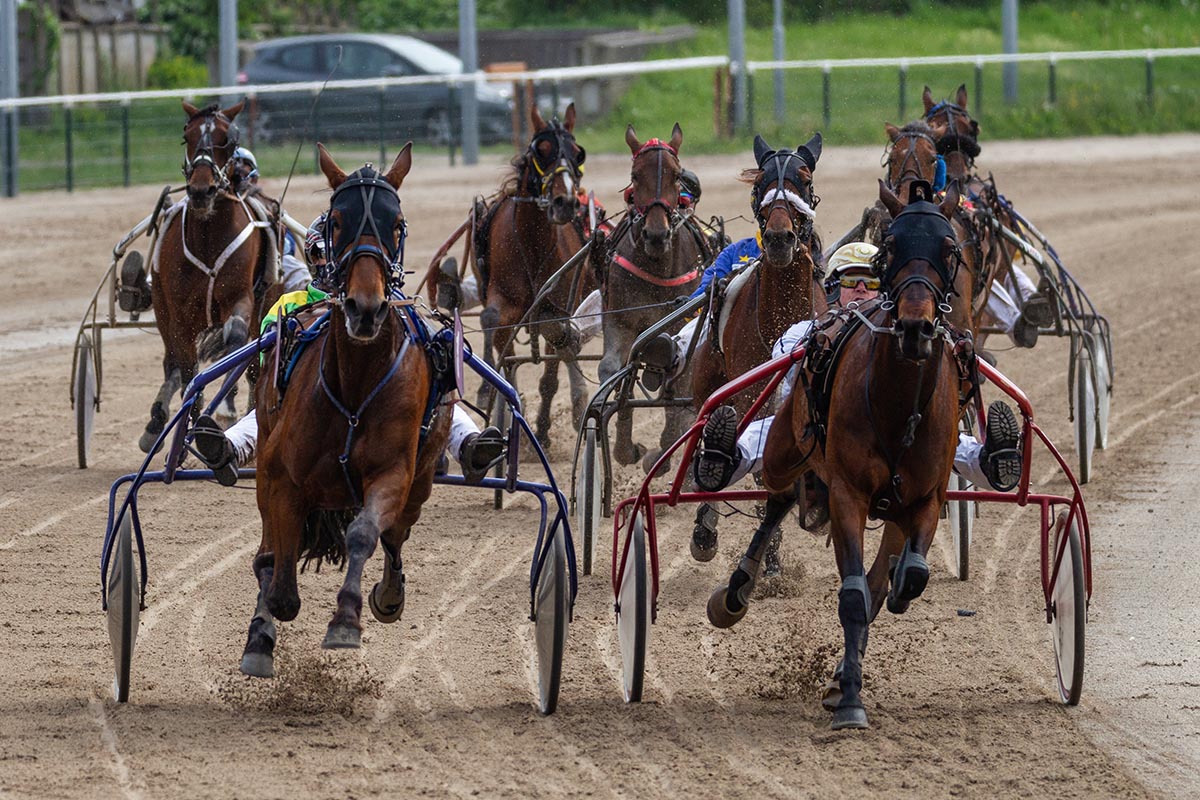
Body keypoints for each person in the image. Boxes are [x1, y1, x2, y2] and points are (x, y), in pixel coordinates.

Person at [191, 214, 506, 487]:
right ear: (310, 257)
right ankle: (228, 449)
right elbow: (267, 358)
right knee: (271, 410)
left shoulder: (386, 302)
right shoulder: (291, 303)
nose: (329, 261)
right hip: (312, 400)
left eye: (338, 253)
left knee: (437, 396)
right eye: (319, 253)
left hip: (383, 402)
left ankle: (470, 446)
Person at [692, 241, 1023, 496]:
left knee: (942, 438)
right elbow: (785, 391)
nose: (863, 288)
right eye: (853, 280)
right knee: (766, 431)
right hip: (817, 424)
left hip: (893, 428)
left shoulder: (899, 335)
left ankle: (993, 462)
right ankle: (723, 460)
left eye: (872, 282)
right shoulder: (804, 331)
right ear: (835, 288)